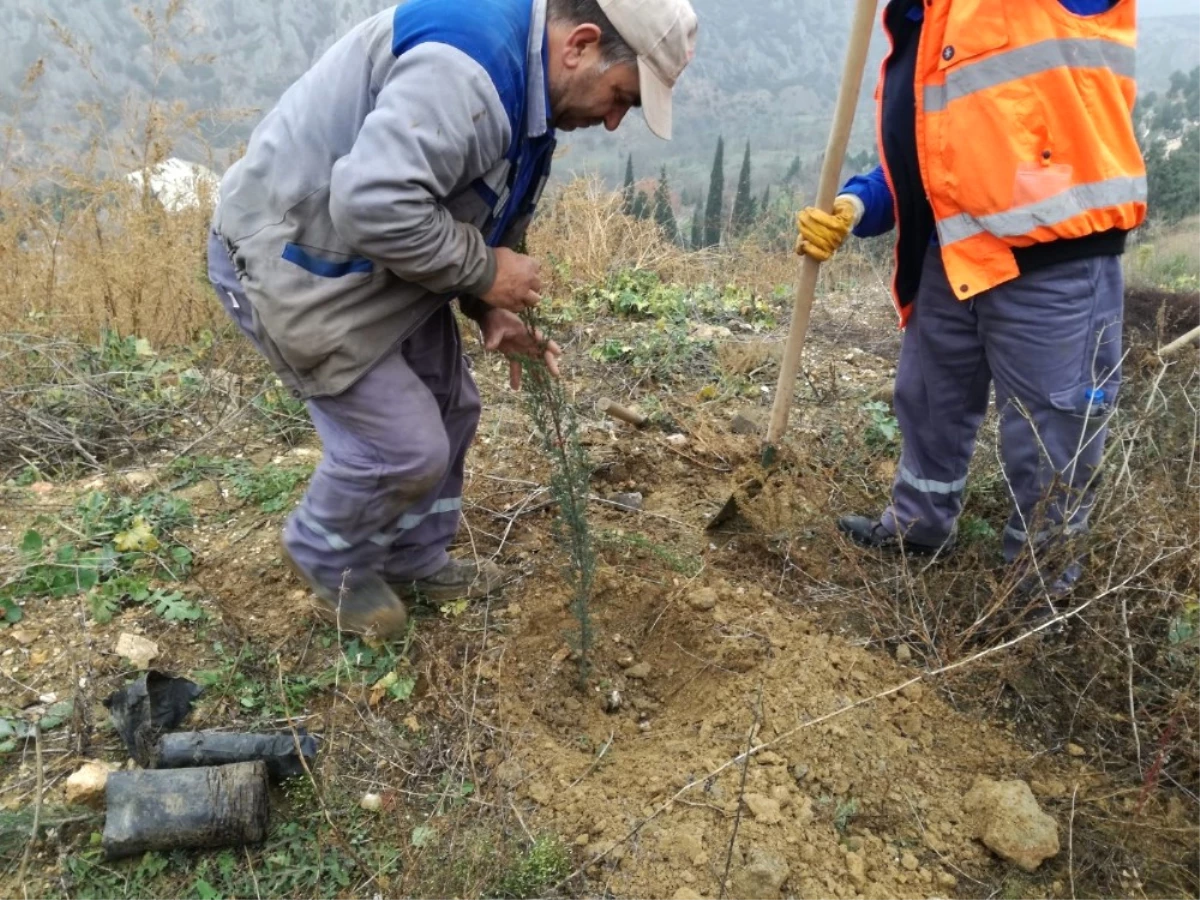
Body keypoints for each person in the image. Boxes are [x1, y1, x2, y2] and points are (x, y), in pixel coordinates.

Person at [206, 0, 699, 638]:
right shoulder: (467, 72)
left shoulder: (533, 83)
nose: (611, 121)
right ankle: (325, 554)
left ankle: (413, 561)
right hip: (295, 259)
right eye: (621, 97)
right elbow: (374, 204)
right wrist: (488, 273)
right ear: (579, 44)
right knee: (401, 448)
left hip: (373, 262)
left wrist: (484, 304)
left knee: (453, 407)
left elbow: (469, 199)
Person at [795, 0, 1146, 610]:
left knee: (1052, 433)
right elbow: (935, 156)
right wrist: (859, 203)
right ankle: (919, 527)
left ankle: (1039, 592)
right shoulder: (926, 15)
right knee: (929, 399)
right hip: (952, 253)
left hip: (1054, 260)